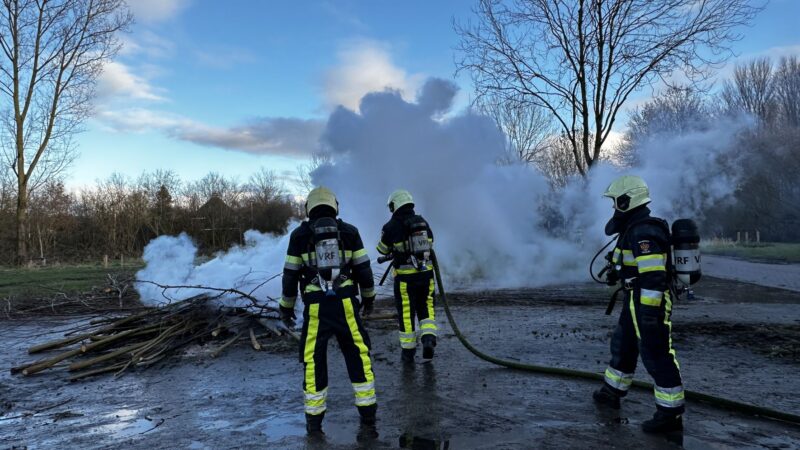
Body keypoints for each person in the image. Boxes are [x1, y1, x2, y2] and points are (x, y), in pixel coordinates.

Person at [279, 186, 377, 435]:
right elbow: (364, 271)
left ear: (308, 208)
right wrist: (369, 299)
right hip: (345, 303)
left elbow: (290, 275)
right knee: (358, 354)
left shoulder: (299, 236)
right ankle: (368, 416)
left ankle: (314, 422)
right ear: (335, 206)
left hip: (315, 308)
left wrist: (286, 308)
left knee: (313, 360)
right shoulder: (350, 232)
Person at [593, 175, 685, 433]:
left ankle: (670, 413)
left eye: (615, 202)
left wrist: (648, 312)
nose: (614, 208)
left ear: (627, 200)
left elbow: (654, 276)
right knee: (623, 345)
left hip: (648, 301)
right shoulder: (634, 228)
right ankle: (613, 392)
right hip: (635, 298)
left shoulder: (644, 231)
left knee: (656, 353)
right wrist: (617, 270)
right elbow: (632, 264)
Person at [376, 189, 437, 364]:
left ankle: (408, 353)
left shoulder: (391, 226)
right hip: (426, 275)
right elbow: (431, 242)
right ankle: (428, 339)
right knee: (427, 308)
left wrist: (397, 248)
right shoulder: (422, 222)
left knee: (406, 314)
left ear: (394, 205)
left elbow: (382, 249)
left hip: (404, 280)